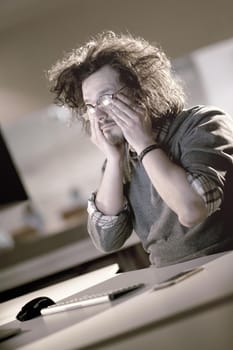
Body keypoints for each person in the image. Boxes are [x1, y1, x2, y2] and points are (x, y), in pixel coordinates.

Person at [48, 31, 233, 267]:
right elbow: (107, 240)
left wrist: (144, 144)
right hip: (170, 279)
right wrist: (113, 161)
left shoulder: (203, 123)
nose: (100, 115)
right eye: (91, 106)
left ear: (143, 91)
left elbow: (191, 210)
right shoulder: (120, 157)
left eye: (106, 99)